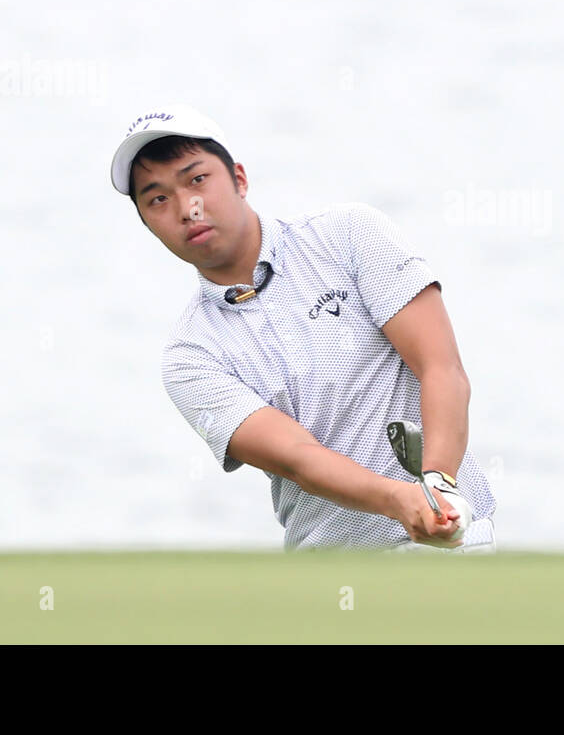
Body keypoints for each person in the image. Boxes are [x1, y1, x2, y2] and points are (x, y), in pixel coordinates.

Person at [108, 105, 496, 552]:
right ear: (147, 224)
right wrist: (403, 501)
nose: (187, 207)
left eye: (197, 180)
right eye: (157, 199)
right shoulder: (190, 355)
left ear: (239, 178)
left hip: (456, 547)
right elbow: (299, 460)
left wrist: (437, 486)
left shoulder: (350, 235)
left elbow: (441, 369)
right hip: (331, 579)